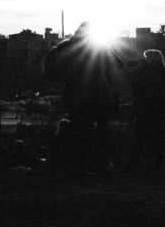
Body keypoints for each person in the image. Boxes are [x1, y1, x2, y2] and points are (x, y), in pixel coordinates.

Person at [43, 22, 120, 174]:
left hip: (76, 94)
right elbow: (118, 64)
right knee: (102, 128)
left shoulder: (64, 47)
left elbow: (50, 69)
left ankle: (78, 164)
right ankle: (102, 162)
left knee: (79, 129)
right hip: (98, 93)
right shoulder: (98, 47)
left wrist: (63, 80)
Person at [122, 49, 165, 173]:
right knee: (158, 137)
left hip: (146, 108)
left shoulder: (144, 72)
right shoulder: (163, 72)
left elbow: (136, 85)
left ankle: (135, 161)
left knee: (140, 137)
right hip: (157, 109)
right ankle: (157, 163)